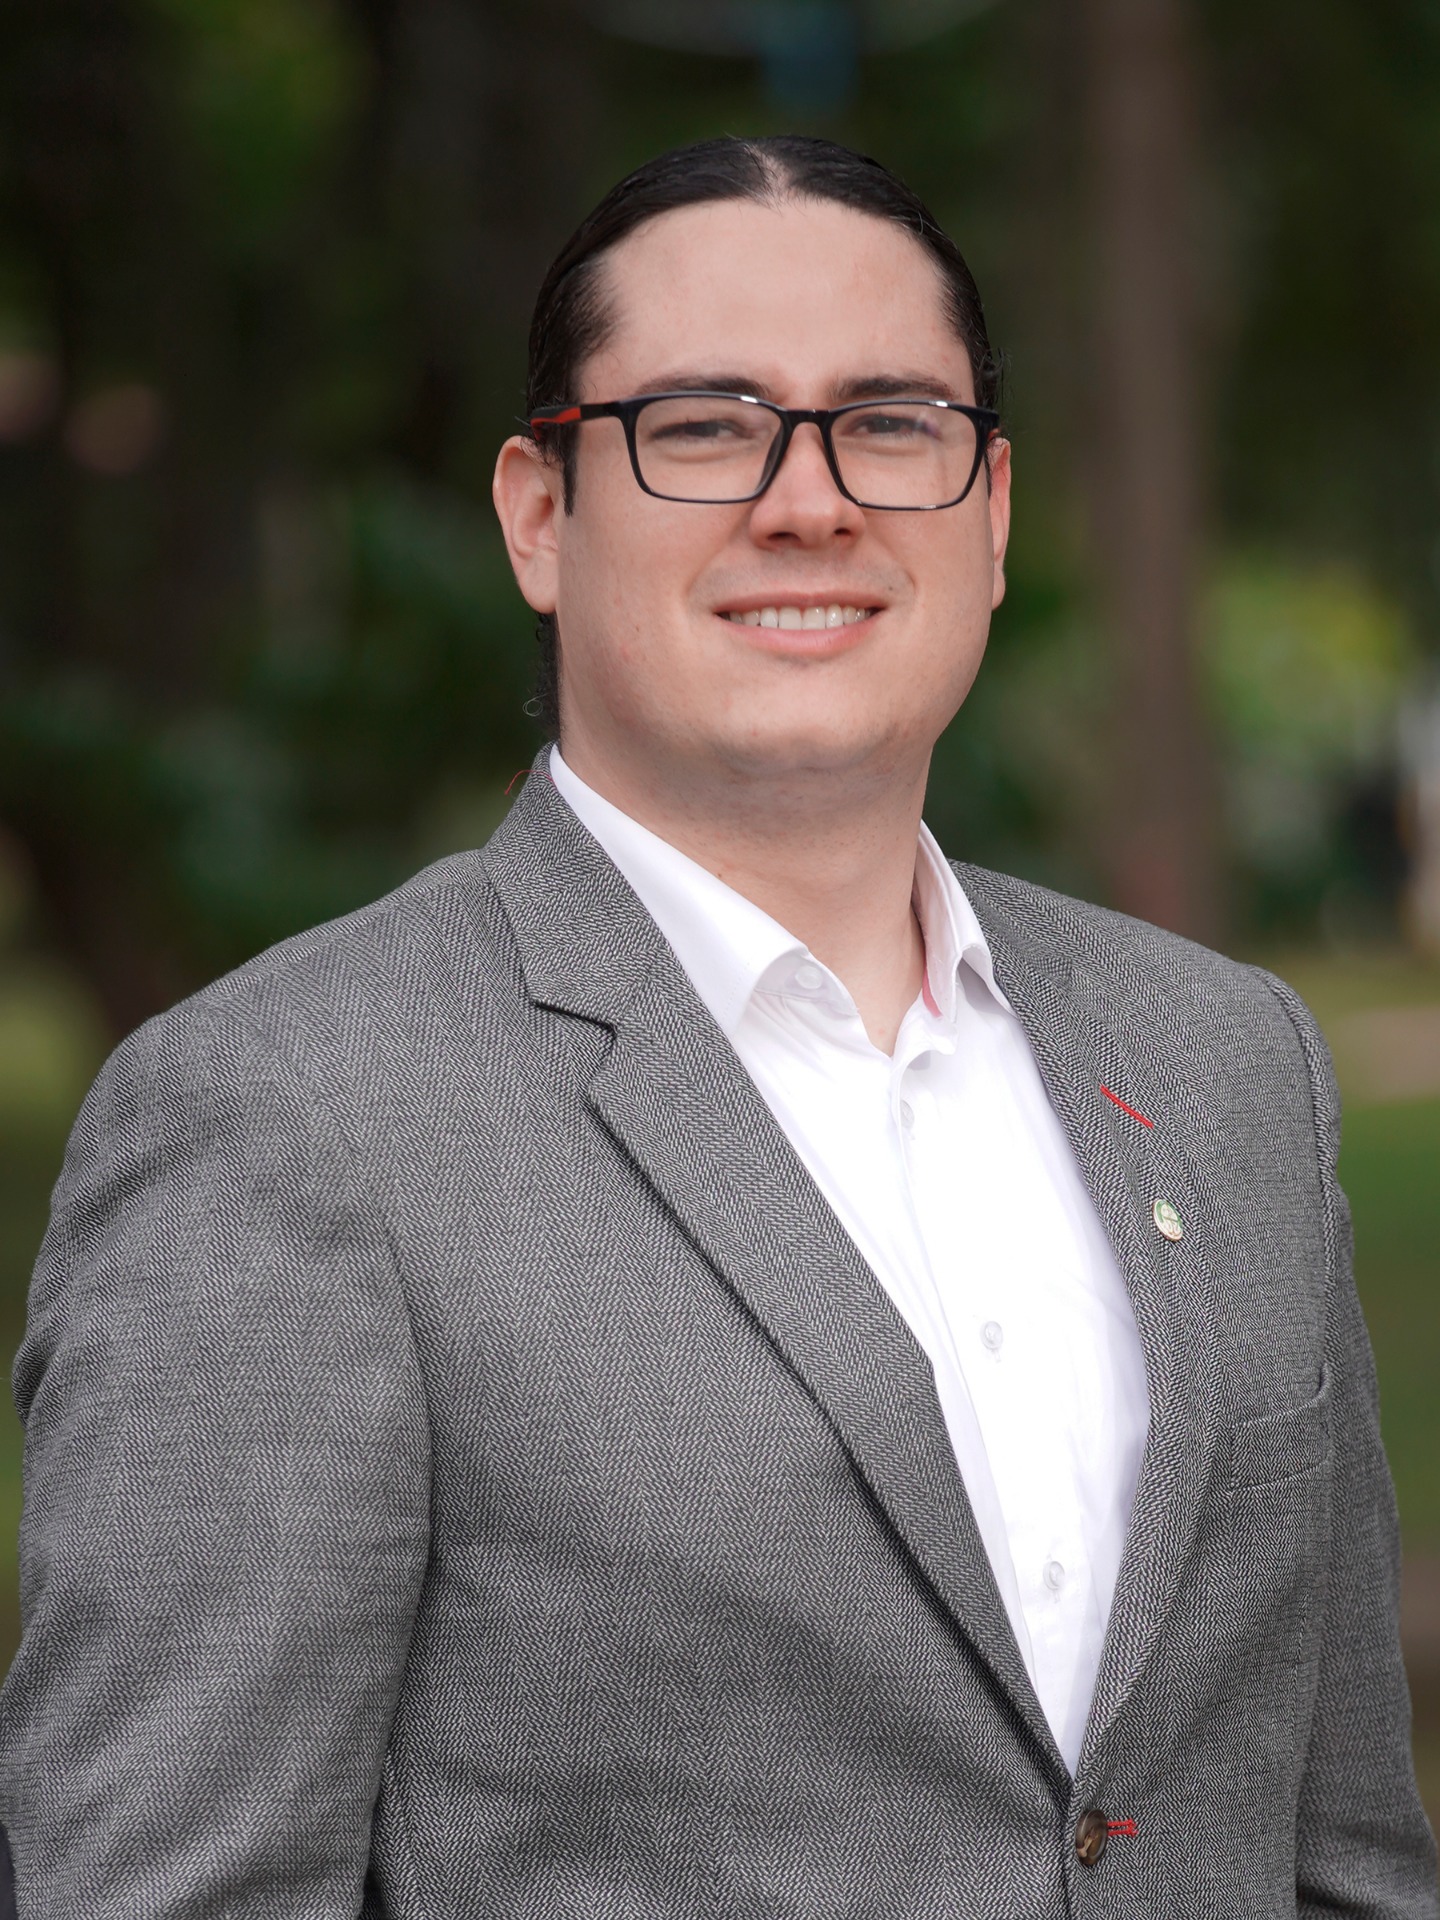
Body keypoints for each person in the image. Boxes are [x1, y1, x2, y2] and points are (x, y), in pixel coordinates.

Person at [0, 133, 1434, 1920]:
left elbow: (1343, 1859)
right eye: (701, 426)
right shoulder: (284, 1117)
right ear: (540, 515)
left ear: (990, 512)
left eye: (889, 423)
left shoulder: (1227, 1064)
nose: (809, 501)